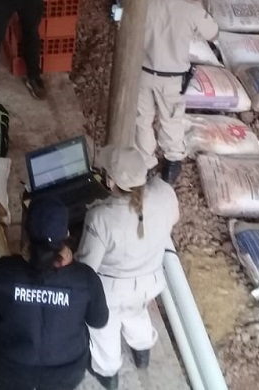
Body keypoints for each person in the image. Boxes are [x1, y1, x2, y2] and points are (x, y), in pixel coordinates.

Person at [0, 197, 109, 390]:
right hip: (66, 373)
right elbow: (98, 321)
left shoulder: (1, 270)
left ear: (26, 232)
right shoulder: (86, 278)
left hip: (7, 371)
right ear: (66, 234)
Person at [78, 146, 179, 388]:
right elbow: (173, 219)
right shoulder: (164, 193)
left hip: (110, 293)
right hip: (150, 282)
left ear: (110, 181)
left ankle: (108, 371)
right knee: (136, 313)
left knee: (104, 327)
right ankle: (142, 351)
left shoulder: (100, 217)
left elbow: (87, 267)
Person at [137, 0, 218, 184]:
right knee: (171, 121)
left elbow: (124, 18)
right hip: (172, 79)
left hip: (143, 74)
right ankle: (171, 167)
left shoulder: (143, 4)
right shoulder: (191, 10)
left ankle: (144, 165)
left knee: (141, 120)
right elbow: (213, 33)